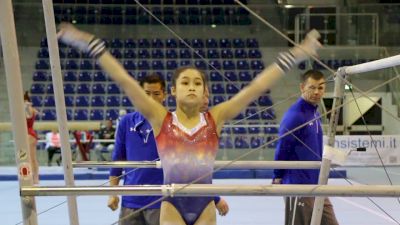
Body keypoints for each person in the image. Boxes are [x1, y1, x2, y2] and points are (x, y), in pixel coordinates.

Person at [57, 23, 321, 225]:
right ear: (172, 91)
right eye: (185, 83)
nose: (192, 87)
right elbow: (124, 80)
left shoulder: (215, 118)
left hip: (204, 203)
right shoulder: (161, 118)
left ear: (205, 91)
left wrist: (299, 53)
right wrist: (89, 42)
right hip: (171, 204)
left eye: (197, 83)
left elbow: (257, 87)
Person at [107, 74, 229, 225]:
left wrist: (214, 197)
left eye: (156, 94)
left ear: (164, 95)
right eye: (146, 94)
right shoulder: (126, 122)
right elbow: (117, 160)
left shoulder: (174, 123)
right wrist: (113, 192)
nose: (150, 99)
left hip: (163, 203)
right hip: (130, 202)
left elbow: (192, 167)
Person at [272, 70, 339, 225]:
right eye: (312, 87)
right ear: (302, 87)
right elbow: (283, 146)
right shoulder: (295, 115)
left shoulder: (314, 113)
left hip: (316, 182)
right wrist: (278, 176)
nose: (316, 92)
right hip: (298, 184)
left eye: (320, 88)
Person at [24, 91, 40, 184]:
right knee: (32, 158)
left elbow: (29, 115)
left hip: (29, 134)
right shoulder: (31, 108)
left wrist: (26, 107)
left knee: (30, 158)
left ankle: (34, 178)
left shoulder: (28, 108)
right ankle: (35, 178)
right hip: (30, 134)